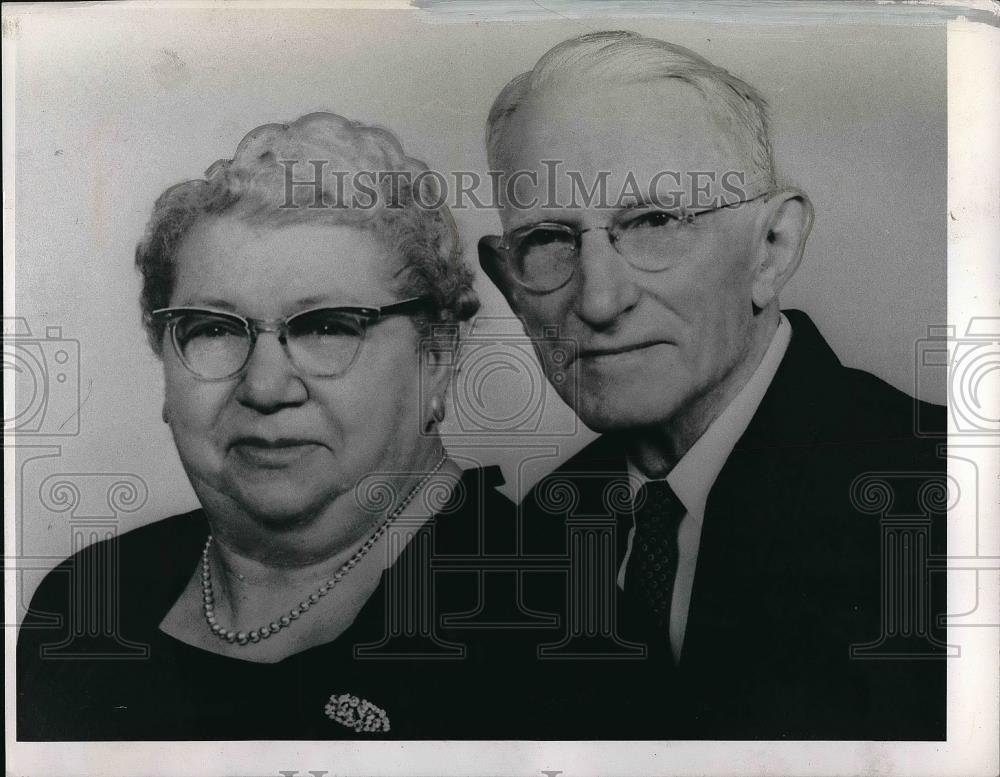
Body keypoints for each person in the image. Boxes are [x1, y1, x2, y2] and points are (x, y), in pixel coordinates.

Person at [477, 31, 948, 739]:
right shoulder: (531, 541)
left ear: (771, 248)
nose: (600, 300)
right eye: (548, 239)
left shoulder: (955, 499)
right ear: (510, 285)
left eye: (655, 221)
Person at [17, 112, 517, 740]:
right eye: (214, 330)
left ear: (437, 357)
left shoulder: (548, 619)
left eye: (330, 326)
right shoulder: (83, 604)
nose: (264, 387)